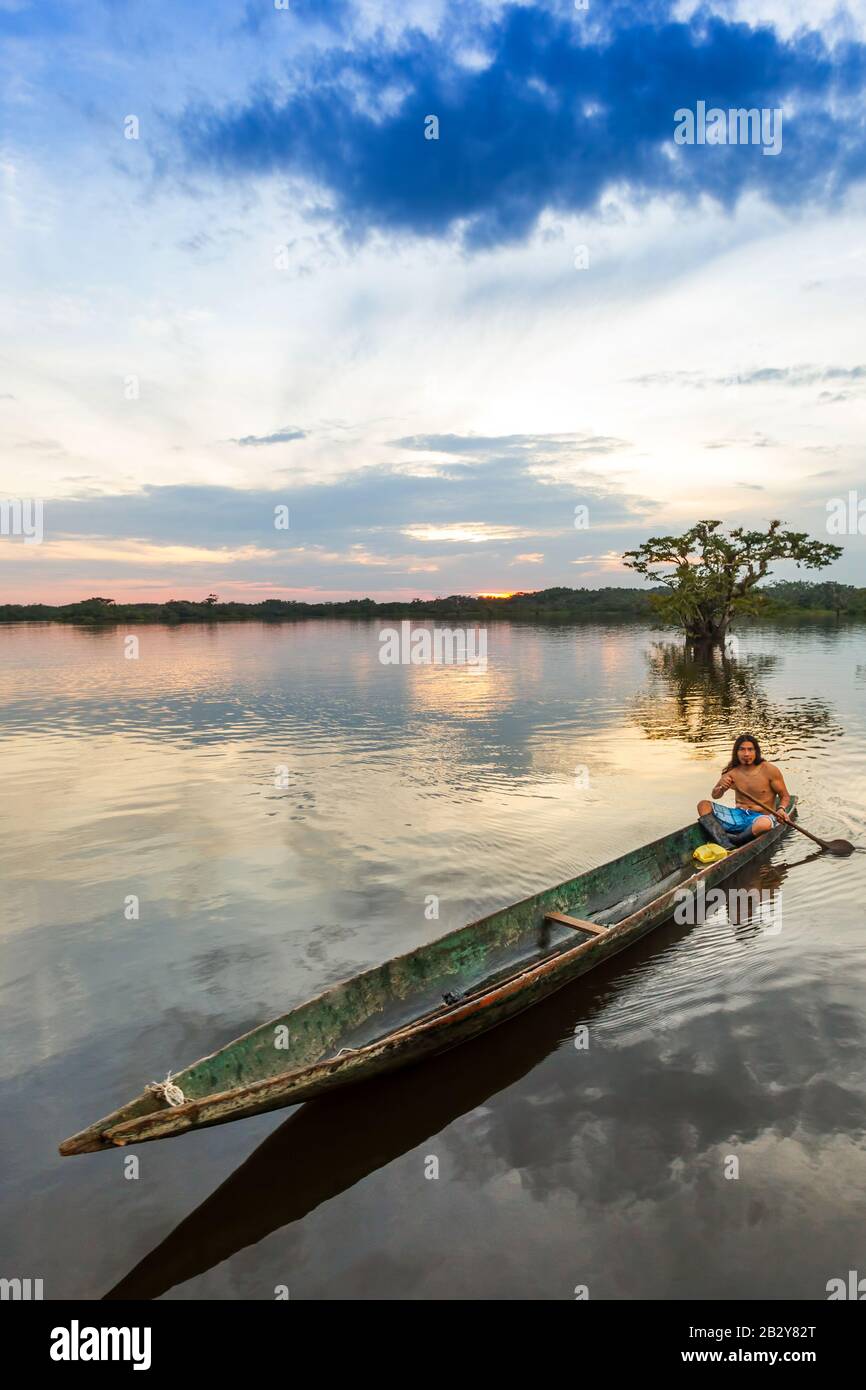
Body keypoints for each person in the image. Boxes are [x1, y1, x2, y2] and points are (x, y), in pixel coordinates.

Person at [698, 733, 791, 849]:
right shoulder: (731, 771)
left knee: (765, 824)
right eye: (742, 749)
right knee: (703, 805)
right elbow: (716, 795)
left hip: (761, 817)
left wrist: (781, 809)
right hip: (738, 815)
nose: (746, 754)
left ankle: (737, 840)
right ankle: (722, 839)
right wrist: (721, 788)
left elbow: (785, 796)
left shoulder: (769, 770)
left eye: (750, 749)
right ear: (736, 752)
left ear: (756, 751)